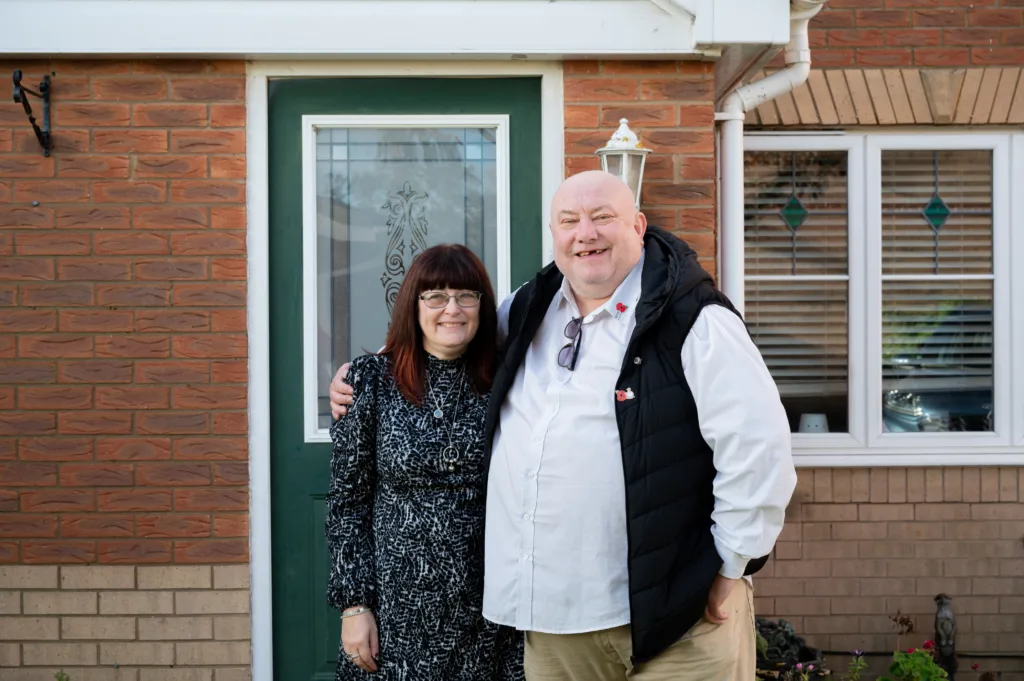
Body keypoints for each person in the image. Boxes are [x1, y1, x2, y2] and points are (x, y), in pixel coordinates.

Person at [331, 170, 797, 681]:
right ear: (554, 235)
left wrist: (732, 562)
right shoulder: (531, 307)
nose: (586, 233)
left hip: (677, 615)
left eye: (603, 218)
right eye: (569, 221)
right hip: (555, 624)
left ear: (638, 226)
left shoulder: (696, 320)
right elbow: (447, 332)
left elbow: (759, 450)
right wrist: (369, 373)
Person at [325, 243, 523, 680]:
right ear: (413, 306)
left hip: (489, 610)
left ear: (482, 306)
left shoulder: (512, 381)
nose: (451, 308)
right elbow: (347, 502)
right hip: (395, 615)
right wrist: (354, 605)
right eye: (435, 296)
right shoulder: (371, 381)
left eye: (465, 296)